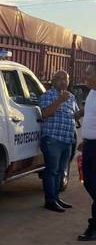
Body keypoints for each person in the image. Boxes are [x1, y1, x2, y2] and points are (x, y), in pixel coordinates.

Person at [39, 70, 80, 213]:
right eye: (60, 79)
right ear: (53, 80)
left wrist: (82, 112)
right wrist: (59, 100)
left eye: (66, 79)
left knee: (60, 171)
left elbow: (73, 116)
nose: (64, 82)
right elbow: (45, 114)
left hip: (67, 139)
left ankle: (56, 198)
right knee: (51, 170)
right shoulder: (47, 95)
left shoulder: (72, 97)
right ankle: (50, 201)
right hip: (52, 139)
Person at [78, 64, 96, 240]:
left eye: (89, 73)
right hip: (90, 146)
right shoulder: (91, 93)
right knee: (88, 182)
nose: (86, 76)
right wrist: (85, 141)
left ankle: (94, 227)